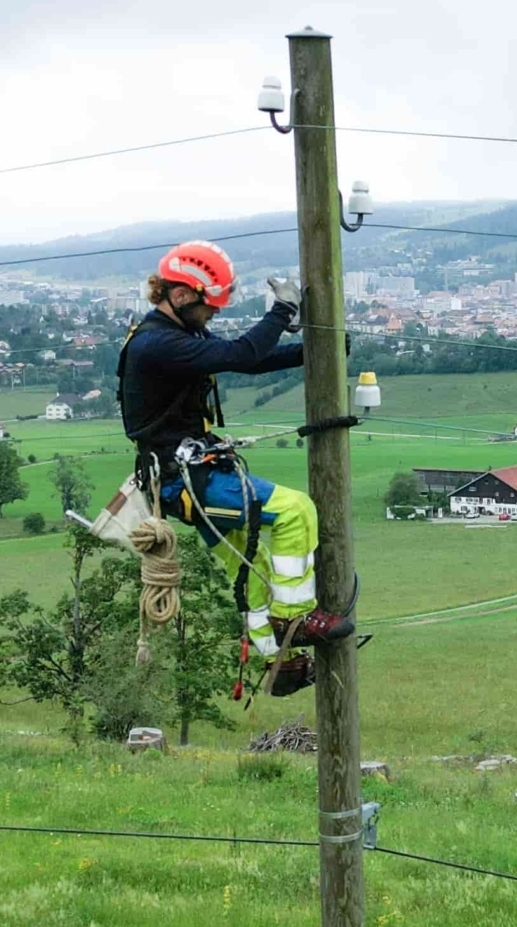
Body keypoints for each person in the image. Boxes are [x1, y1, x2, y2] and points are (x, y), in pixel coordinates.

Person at [117, 239, 351, 698]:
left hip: (179, 479)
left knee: (250, 567)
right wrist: (282, 312)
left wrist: (312, 351)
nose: (214, 315)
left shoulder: (174, 336)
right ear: (182, 295)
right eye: (210, 306)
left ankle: (275, 661)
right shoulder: (157, 344)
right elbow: (239, 354)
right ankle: (295, 617)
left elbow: (245, 359)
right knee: (294, 511)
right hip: (190, 480)